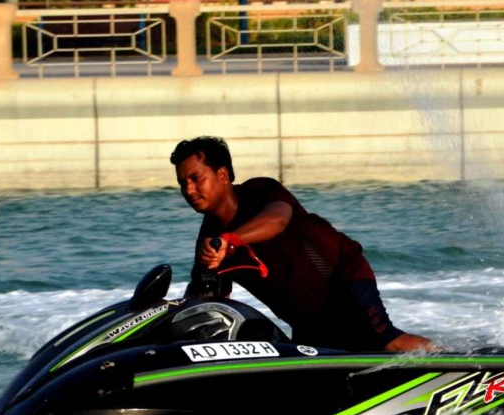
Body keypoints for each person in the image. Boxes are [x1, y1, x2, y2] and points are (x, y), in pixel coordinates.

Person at [171, 136, 435, 353]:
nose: (189, 190)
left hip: (343, 279)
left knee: (387, 342)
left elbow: (277, 220)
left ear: (223, 175)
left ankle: (461, 367)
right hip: (307, 316)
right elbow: (206, 301)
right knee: (323, 375)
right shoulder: (207, 242)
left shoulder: (261, 191)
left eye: (196, 178)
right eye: (183, 183)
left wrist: (230, 240)